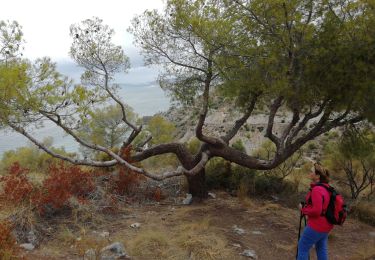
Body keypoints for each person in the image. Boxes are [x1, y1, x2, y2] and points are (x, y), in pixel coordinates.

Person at [297, 162, 333, 260]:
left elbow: (317, 210)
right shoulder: (327, 187)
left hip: (316, 225)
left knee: (302, 248)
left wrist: (303, 209)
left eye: (312, 171)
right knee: (321, 248)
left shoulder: (317, 189)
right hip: (326, 225)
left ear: (317, 176)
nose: (310, 173)